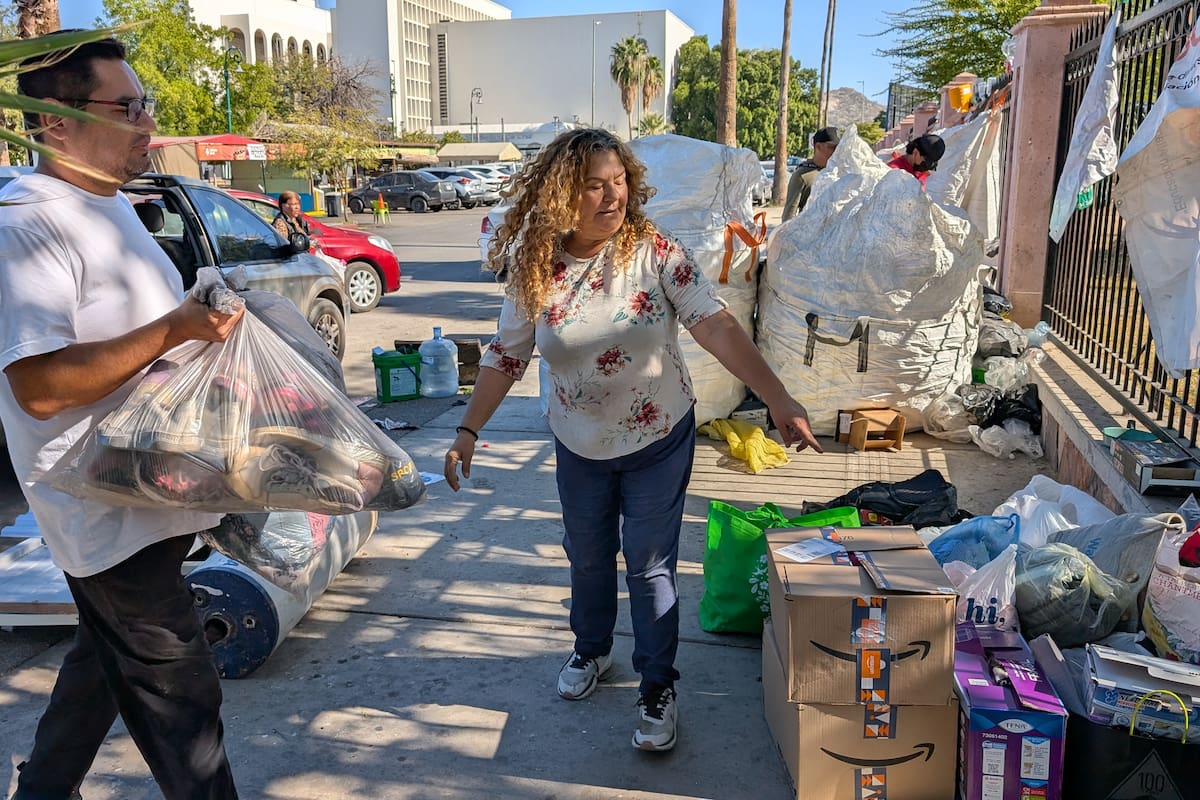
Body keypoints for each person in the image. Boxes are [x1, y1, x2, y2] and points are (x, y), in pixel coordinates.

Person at [442, 128, 822, 753]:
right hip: (579, 442)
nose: (611, 196)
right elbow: (506, 355)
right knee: (588, 557)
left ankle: (657, 685)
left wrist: (777, 397)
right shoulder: (537, 269)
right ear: (564, 193)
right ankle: (592, 651)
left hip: (657, 436)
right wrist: (467, 430)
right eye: (594, 184)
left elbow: (716, 324)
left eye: (618, 181)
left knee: (648, 566)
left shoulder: (656, 252)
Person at [0, 36, 243, 799]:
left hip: (153, 484)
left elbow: (141, 339)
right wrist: (172, 331)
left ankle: (42, 789)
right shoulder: (27, 226)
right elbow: (37, 387)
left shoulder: (109, 203)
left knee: (102, 662)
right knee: (184, 705)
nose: (147, 125)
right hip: (100, 503)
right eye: (125, 107)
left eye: (147, 106)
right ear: (54, 124)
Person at [781, 126, 839, 221]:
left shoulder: (838, 172)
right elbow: (789, 215)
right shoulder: (802, 175)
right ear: (818, 146)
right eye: (831, 147)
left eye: (838, 147)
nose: (835, 151)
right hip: (810, 232)